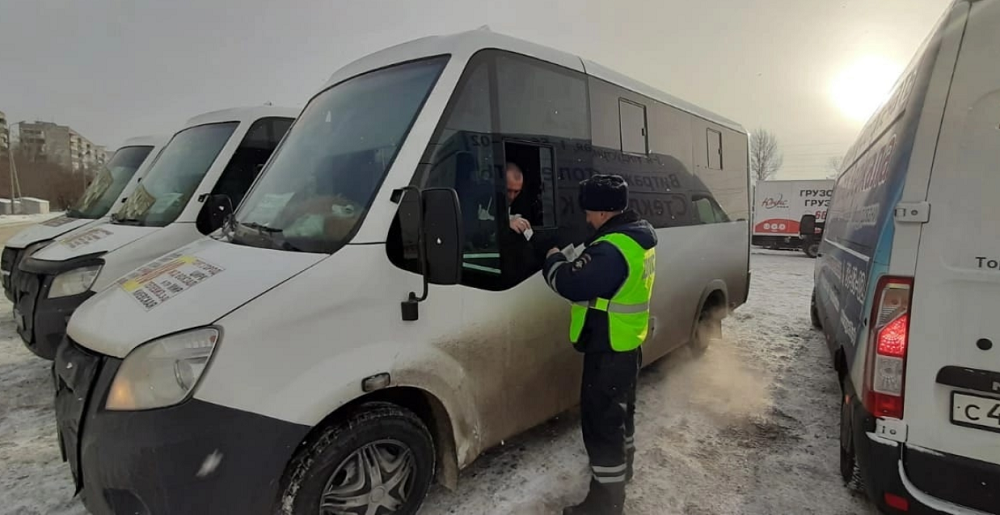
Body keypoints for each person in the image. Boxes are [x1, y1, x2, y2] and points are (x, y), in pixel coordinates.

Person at [542, 174, 657, 515]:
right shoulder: (637, 235)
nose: (587, 219)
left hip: (607, 350)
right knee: (620, 417)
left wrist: (551, 259)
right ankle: (623, 472)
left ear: (604, 212)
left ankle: (605, 504)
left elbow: (571, 284)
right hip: (626, 342)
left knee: (602, 425)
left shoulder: (612, 249)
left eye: (589, 212)